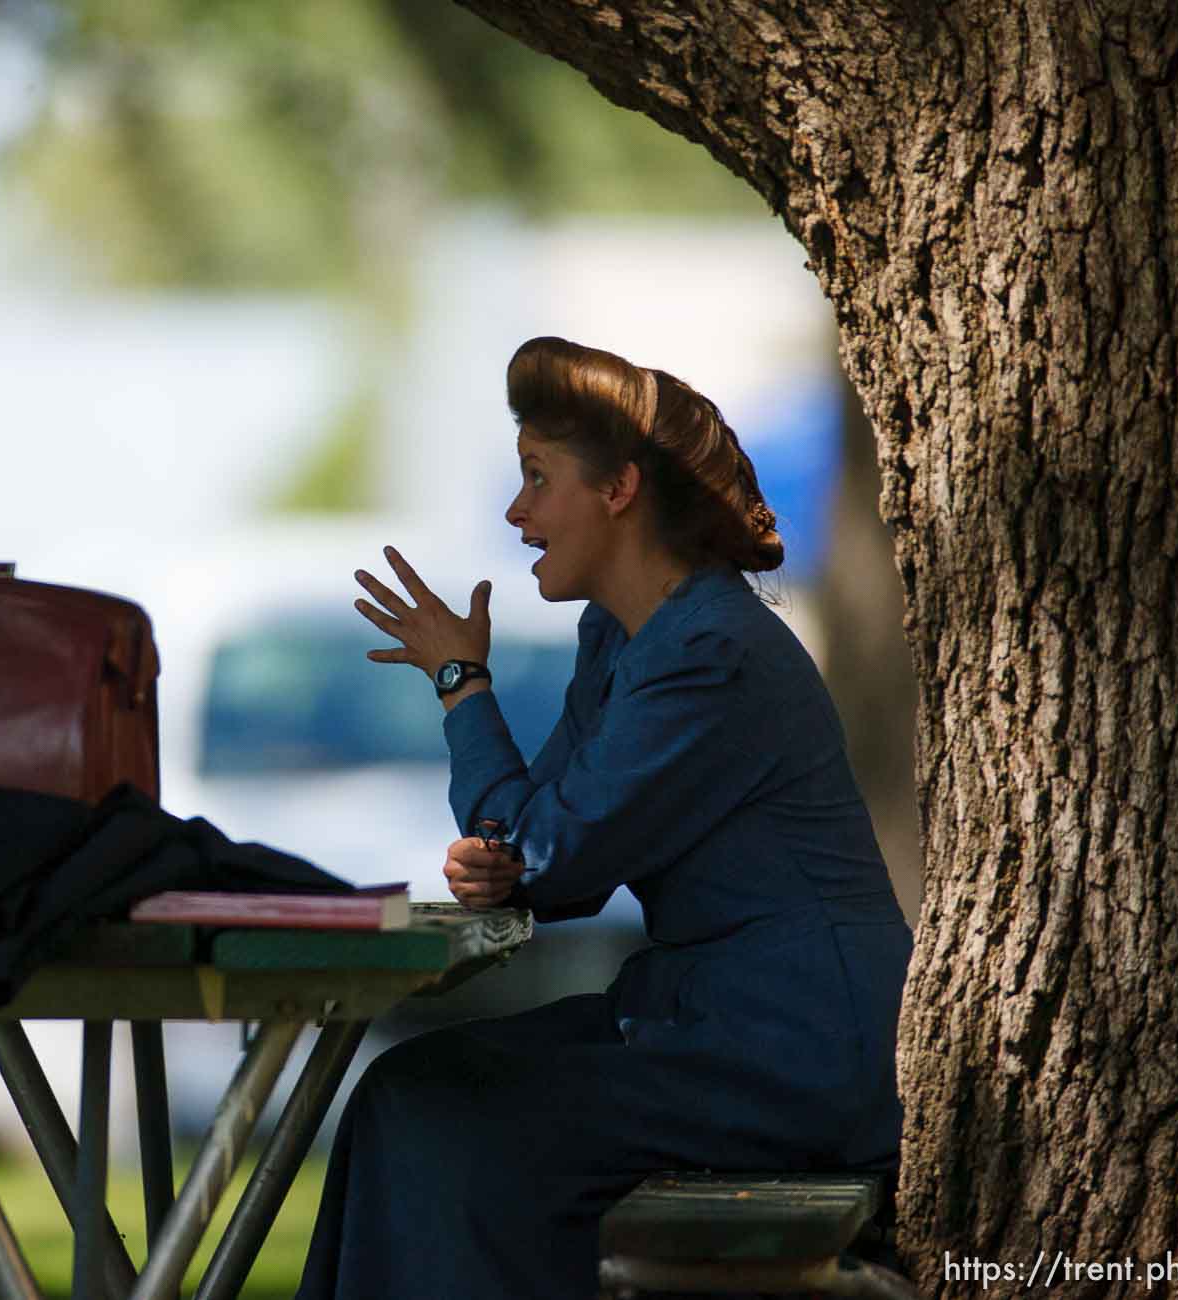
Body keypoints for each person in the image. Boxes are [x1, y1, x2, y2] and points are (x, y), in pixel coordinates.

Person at [296, 336, 915, 1299]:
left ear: (619, 489)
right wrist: (478, 737)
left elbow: (549, 858)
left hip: (793, 1050)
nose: (517, 512)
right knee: (402, 1092)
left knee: (445, 1121)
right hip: (704, 1024)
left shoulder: (709, 652)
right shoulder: (623, 637)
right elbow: (535, 851)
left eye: (538, 479)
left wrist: (467, 698)